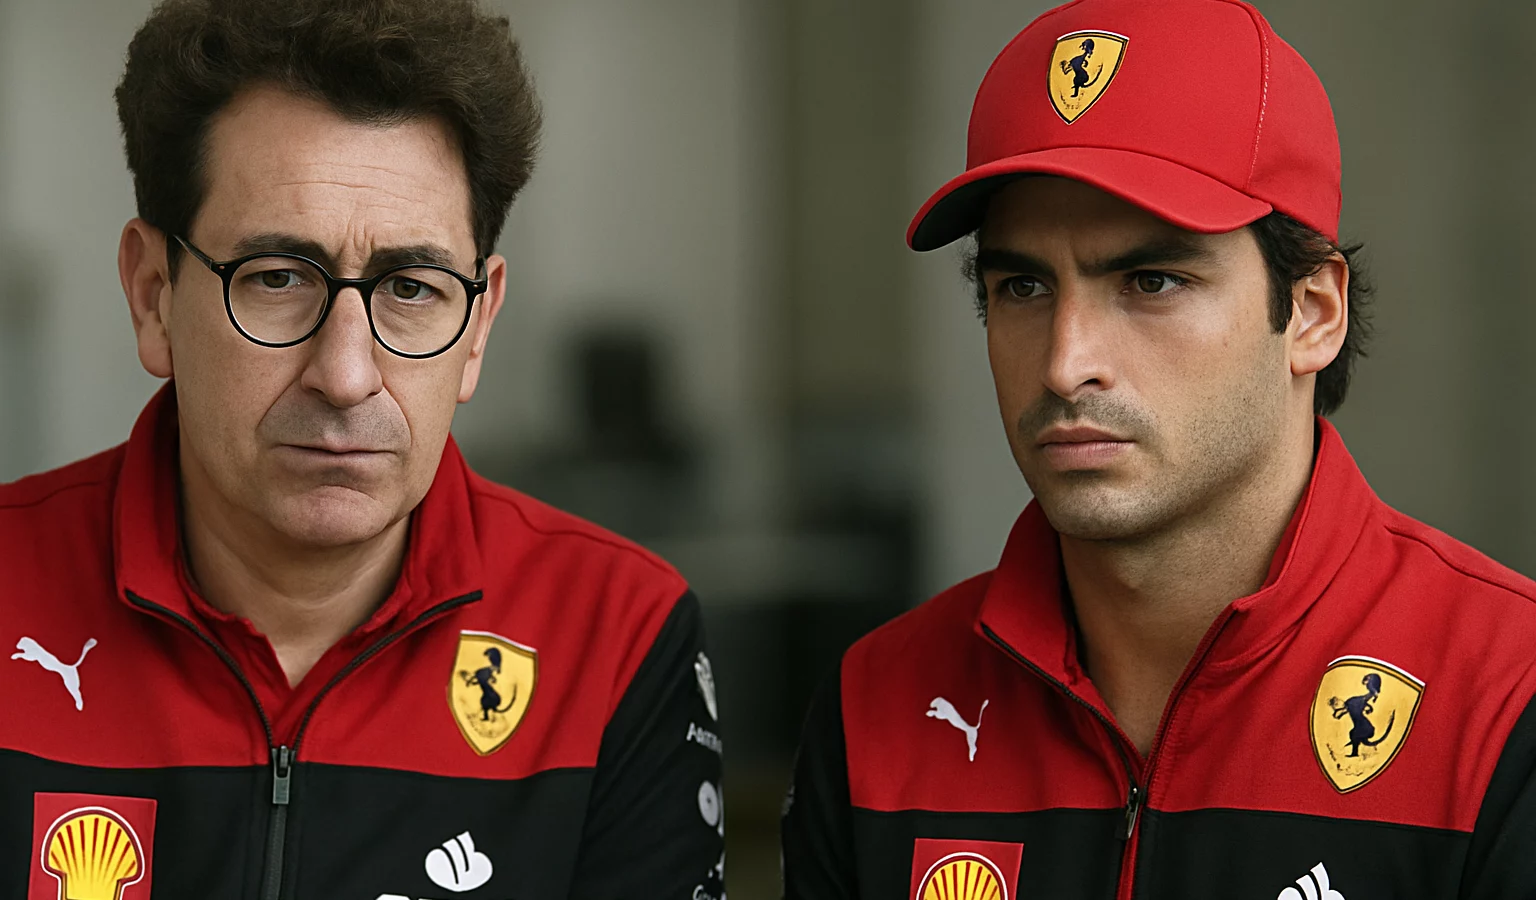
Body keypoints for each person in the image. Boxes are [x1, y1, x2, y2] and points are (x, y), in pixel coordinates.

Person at [782, 0, 1536, 897]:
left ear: (1312, 313)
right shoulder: (876, 705)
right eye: (1023, 286)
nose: (1066, 364)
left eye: (1151, 280)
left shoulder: (1506, 695)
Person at [1, 2, 725, 898]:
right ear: (154, 296)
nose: (345, 376)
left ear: (478, 327)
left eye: (412, 288)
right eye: (276, 278)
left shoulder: (617, 638)